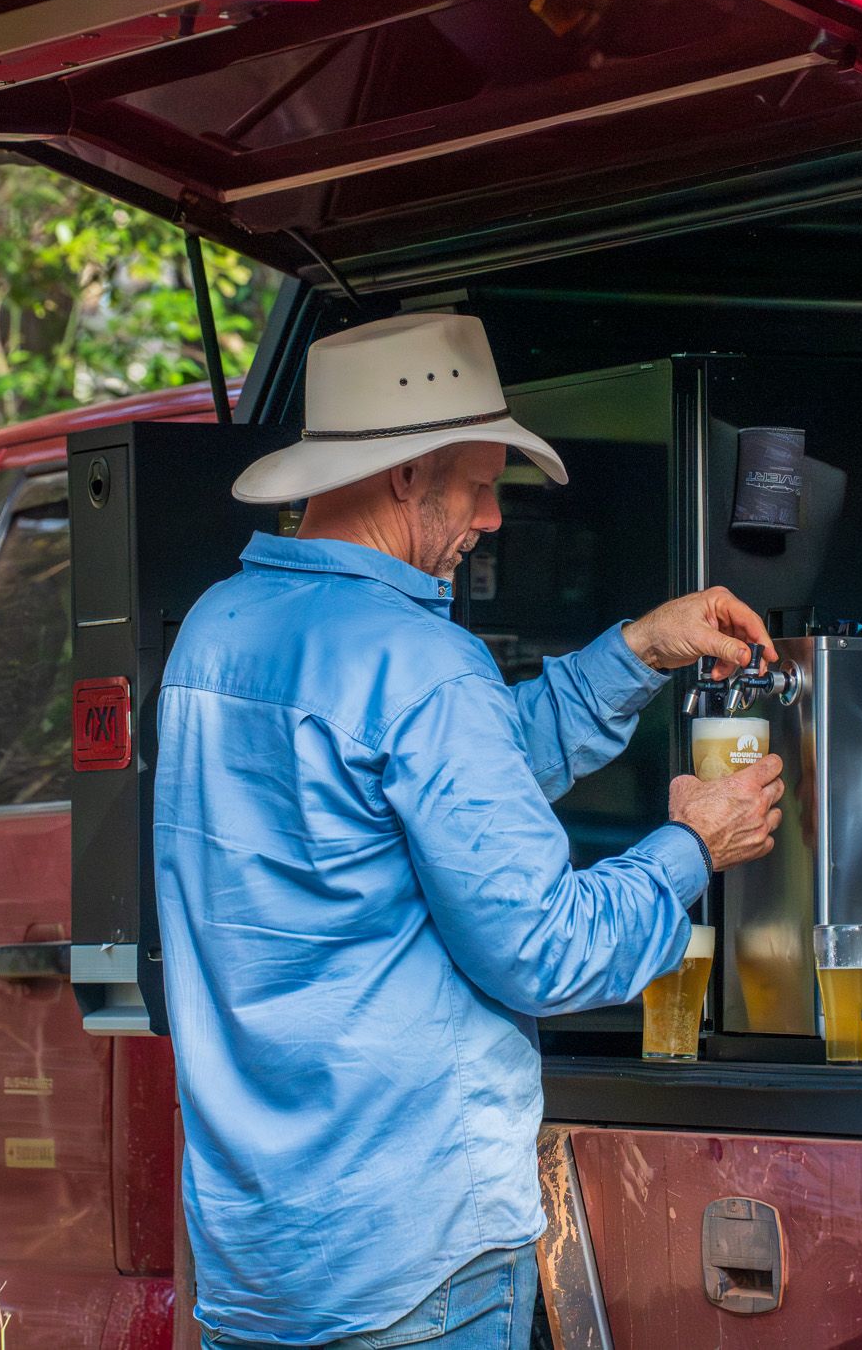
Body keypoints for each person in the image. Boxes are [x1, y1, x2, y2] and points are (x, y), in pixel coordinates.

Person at [154, 313, 785, 1349]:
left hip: (259, 1257)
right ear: (407, 476)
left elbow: (435, 791)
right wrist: (689, 848)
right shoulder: (418, 665)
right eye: (483, 484)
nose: (493, 520)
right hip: (413, 1254)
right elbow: (543, 952)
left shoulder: (216, 633)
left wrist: (633, 652)